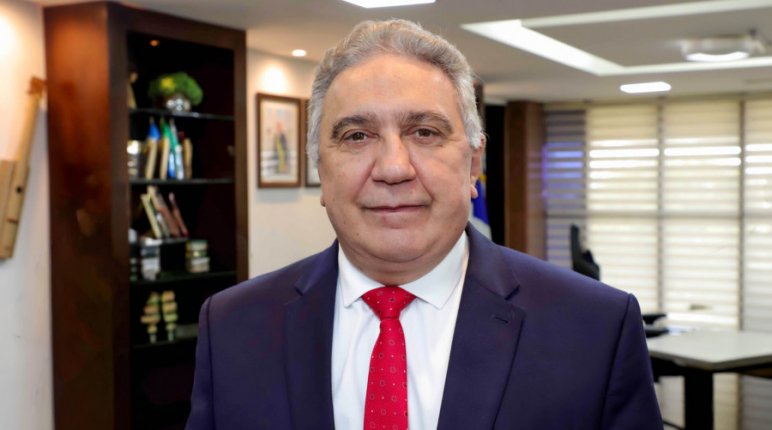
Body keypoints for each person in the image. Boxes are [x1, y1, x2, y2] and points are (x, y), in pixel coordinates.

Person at [186, 19, 662, 430]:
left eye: (424, 132)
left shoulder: (596, 329)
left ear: (473, 163)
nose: (393, 168)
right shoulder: (232, 327)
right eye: (357, 135)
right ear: (321, 171)